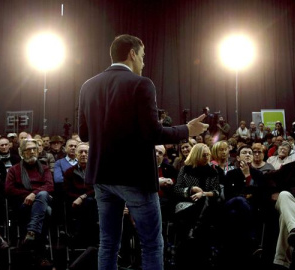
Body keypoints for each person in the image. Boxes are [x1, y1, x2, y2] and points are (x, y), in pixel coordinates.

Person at [78, 34, 208, 270]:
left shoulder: (88, 86)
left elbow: (84, 135)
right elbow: (153, 134)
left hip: (101, 177)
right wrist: (187, 129)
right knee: (151, 244)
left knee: (108, 244)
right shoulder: (141, 84)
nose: (144, 62)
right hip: (134, 177)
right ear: (132, 54)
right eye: (143, 56)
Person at [172, 143, 224, 268]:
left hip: (206, 204)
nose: (206, 157)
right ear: (196, 155)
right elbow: (177, 189)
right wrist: (191, 189)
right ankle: (194, 235)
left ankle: (193, 233)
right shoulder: (185, 169)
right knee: (202, 206)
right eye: (203, 155)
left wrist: (203, 193)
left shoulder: (213, 171)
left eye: (208, 155)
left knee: (203, 201)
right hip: (186, 204)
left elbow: (216, 192)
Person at [5, 139, 54, 267]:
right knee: (46, 209)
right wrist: (28, 196)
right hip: (22, 205)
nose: (32, 152)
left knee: (44, 200)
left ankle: (31, 234)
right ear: (21, 152)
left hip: (40, 203)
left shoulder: (44, 168)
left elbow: (49, 186)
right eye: (28, 150)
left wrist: (34, 195)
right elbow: (9, 189)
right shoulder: (14, 170)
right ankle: (41, 255)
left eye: (34, 149)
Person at [63, 142, 98, 247]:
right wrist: (78, 199)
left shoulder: (96, 171)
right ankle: (89, 238)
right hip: (75, 204)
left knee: (90, 201)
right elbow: (66, 191)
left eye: (86, 152)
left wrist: (83, 197)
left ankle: (79, 235)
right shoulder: (69, 172)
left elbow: (97, 188)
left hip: (94, 203)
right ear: (76, 155)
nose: (83, 154)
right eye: (80, 152)